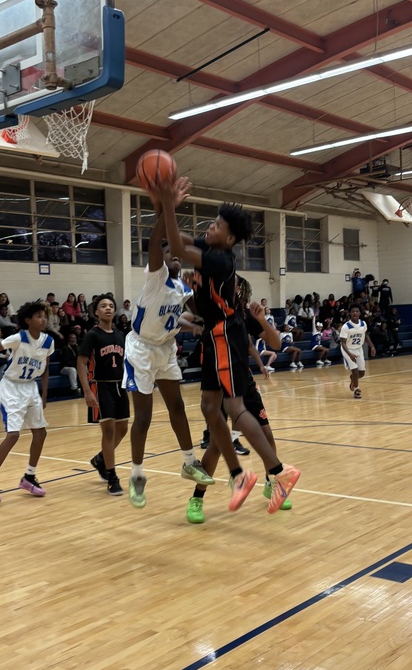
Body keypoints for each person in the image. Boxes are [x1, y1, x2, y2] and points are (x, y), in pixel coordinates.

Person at [149, 176, 300, 513]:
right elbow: (171, 239)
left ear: (229, 238)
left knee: (233, 409)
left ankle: (277, 472)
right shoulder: (208, 250)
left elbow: (175, 248)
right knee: (209, 408)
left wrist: (169, 209)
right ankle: (238, 475)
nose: (210, 227)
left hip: (224, 333)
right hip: (215, 334)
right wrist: (162, 206)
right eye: (212, 222)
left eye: (216, 225)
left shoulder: (221, 260)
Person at [123, 196, 214, 509]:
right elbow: (154, 241)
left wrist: (198, 305)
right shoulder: (156, 276)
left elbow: (193, 315)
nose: (175, 257)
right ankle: (137, 474)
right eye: (168, 254)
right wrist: (166, 207)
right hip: (141, 348)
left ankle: (189, 462)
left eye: (177, 255)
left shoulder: (184, 288)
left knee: (177, 407)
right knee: (144, 417)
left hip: (165, 348)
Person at [186, 282, 295, 523]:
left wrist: (263, 321)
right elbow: (184, 310)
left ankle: (272, 483)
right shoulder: (209, 312)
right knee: (216, 444)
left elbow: (274, 344)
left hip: (242, 381)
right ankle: (197, 498)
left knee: (267, 435)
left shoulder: (244, 316)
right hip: (216, 381)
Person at [0, 302, 55, 503]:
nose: (43, 319)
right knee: (13, 435)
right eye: (38, 316)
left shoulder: (48, 342)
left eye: (44, 316)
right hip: (11, 387)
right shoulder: (18, 338)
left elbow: (45, 369)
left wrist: (44, 394)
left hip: (30, 387)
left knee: (40, 432)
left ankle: (29, 477)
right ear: (28, 320)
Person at [78, 294, 129, 496]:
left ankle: (101, 459)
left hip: (120, 386)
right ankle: (112, 476)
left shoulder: (121, 335)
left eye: (110, 306)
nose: (107, 308)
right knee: (108, 431)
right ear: (96, 312)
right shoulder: (92, 334)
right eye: (103, 306)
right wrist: (87, 390)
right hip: (101, 386)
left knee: (122, 429)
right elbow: (81, 363)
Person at [340, 304, 375, 399]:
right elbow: (343, 343)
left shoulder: (363, 324)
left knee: (362, 373)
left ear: (360, 313)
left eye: (357, 311)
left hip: (359, 349)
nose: (355, 313)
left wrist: (372, 346)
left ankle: (353, 380)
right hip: (347, 349)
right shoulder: (346, 327)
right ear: (350, 314)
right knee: (355, 371)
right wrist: (350, 354)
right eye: (353, 311)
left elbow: (366, 336)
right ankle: (356, 389)